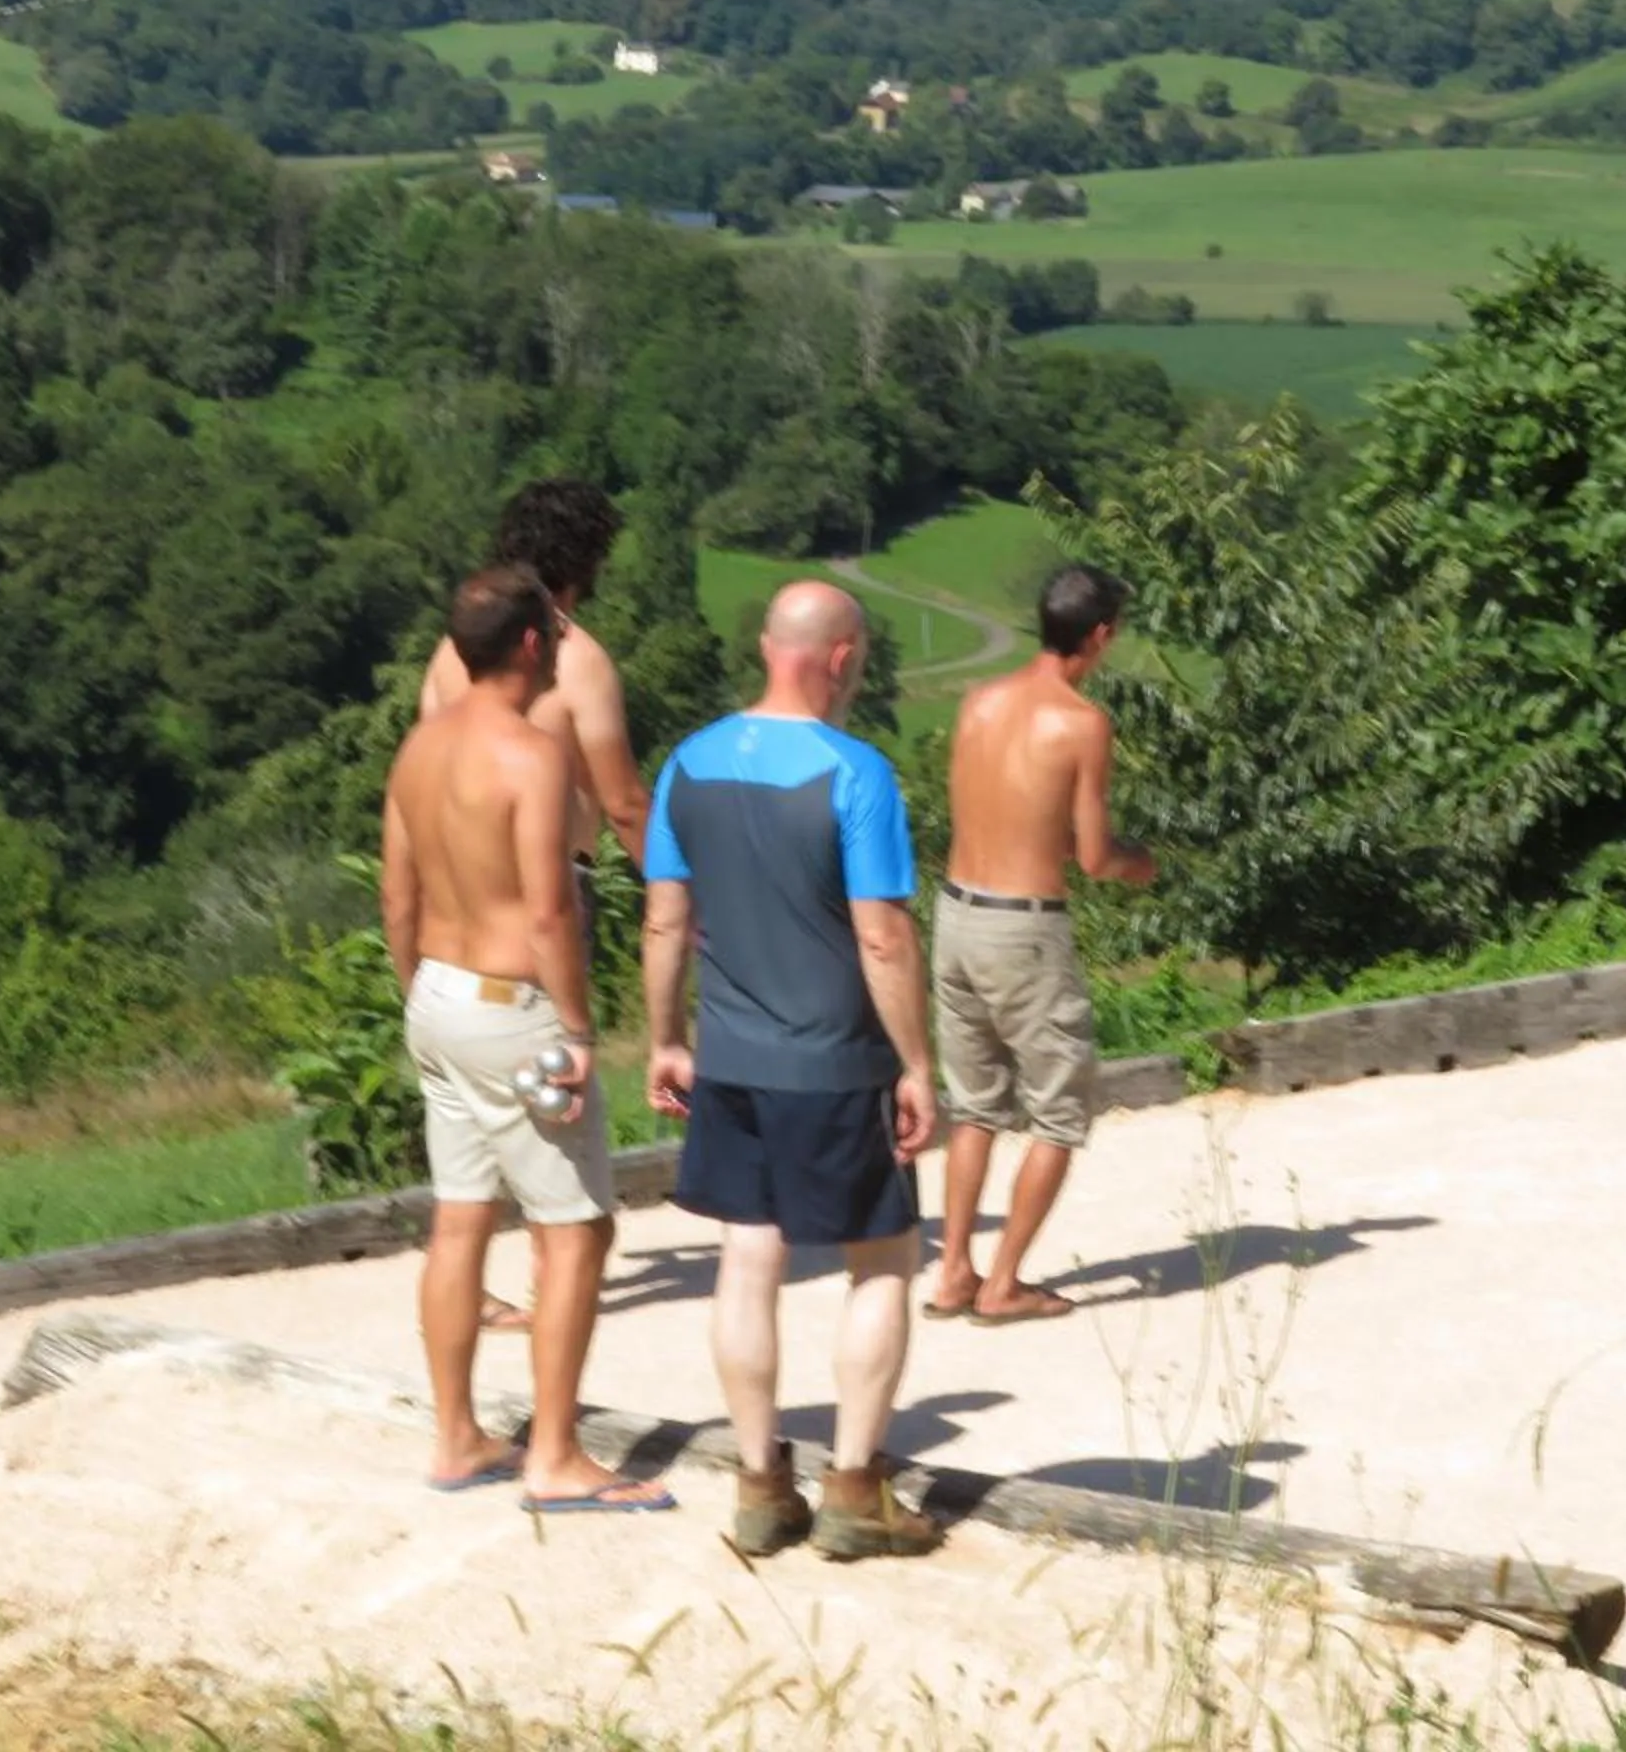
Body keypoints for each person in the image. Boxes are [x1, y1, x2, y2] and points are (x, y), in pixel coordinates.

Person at [641, 581, 942, 1562]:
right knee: (885, 1258)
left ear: (768, 645)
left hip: (732, 1057)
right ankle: (855, 1487)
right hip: (840, 1060)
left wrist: (664, 1037)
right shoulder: (856, 771)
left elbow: (665, 917)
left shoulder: (686, 762)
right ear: (844, 657)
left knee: (747, 1258)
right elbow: (883, 937)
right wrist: (917, 1063)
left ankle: (761, 1483)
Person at [382, 566, 672, 1514]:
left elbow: (398, 893)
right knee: (579, 1227)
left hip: (436, 994)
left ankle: (458, 1434)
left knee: (460, 1214)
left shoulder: (418, 749)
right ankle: (554, 1455)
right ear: (537, 647)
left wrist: (418, 992)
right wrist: (581, 1028)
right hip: (516, 1009)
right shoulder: (532, 756)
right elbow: (551, 910)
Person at [420, 479, 652, 1336]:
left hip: (452, 899)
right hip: (544, 890)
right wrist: (675, 893)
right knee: (551, 1105)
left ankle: (475, 1285)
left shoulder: (454, 652)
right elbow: (624, 801)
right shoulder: (576, 659)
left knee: (469, 1141)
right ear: (585, 562)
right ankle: (556, 1270)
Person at [926, 565, 1156, 1327]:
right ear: (1100, 635)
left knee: (976, 1109)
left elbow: (1000, 805)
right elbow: (1091, 858)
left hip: (955, 914)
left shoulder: (978, 702)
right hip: (1023, 929)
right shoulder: (1082, 722)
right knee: (1058, 1112)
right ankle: (1004, 1284)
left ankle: (954, 1271)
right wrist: (1138, 864)